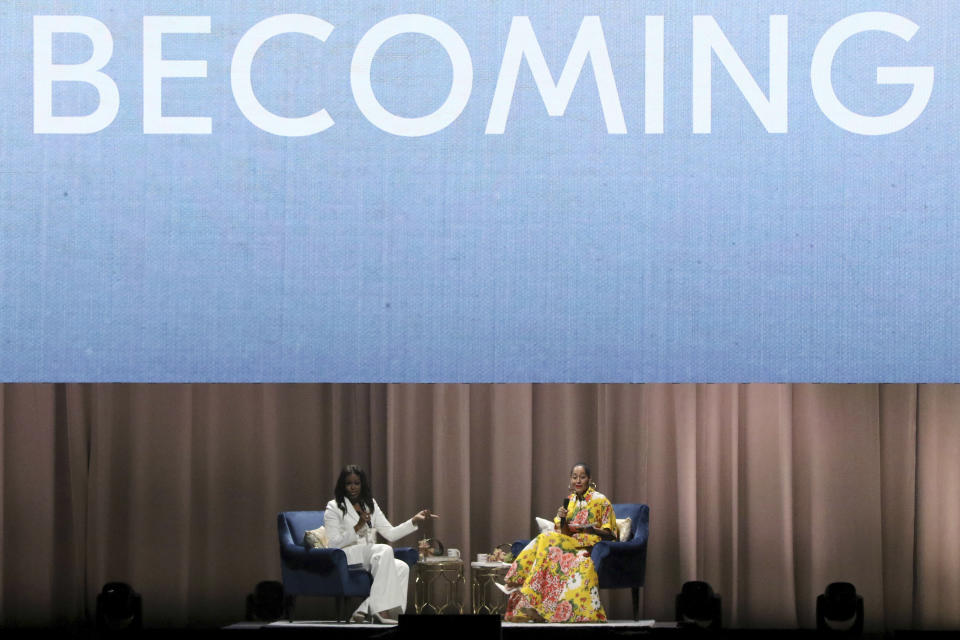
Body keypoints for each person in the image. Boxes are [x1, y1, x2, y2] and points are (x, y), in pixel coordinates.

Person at [502, 462, 617, 622]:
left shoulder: (601, 500)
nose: (578, 481)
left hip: (588, 546)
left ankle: (515, 581)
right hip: (568, 544)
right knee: (545, 539)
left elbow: (611, 534)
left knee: (545, 540)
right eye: (574, 477)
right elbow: (563, 532)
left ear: (589, 479)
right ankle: (532, 602)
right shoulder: (569, 501)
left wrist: (592, 530)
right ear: (570, 480)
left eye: (582, 477)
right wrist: (562, 518)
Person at [324, 465, 433, 624]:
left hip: (371, 555)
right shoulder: (333, 507)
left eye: (357, 483)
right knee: (384, 549)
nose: (353, 487)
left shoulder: (370, 504)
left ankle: (377, 609)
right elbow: (333, 543)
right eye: (349, 483)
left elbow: (390, 533)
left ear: (362, 485)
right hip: (347, 555)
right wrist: (358, 526)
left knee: (401, 567)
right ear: (342, 485)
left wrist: (413, 521)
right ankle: (380, 611)